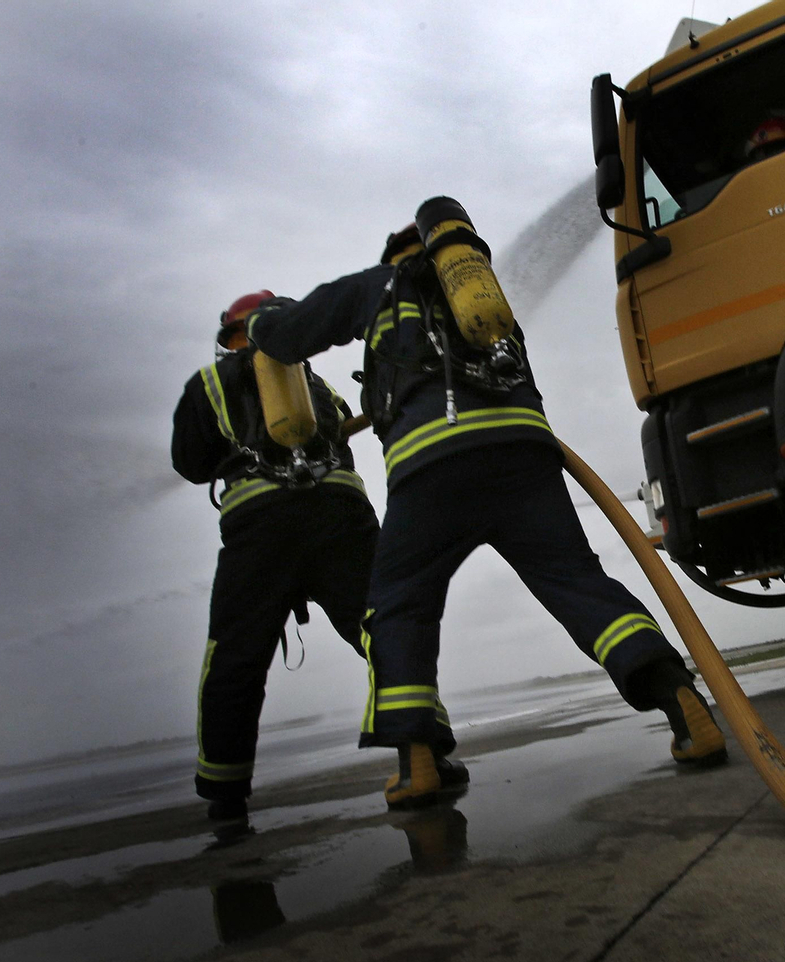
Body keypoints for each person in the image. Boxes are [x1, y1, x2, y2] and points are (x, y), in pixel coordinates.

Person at [246, 198, 728, 810]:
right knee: (577, 583)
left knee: (399, 605)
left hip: (430, 470)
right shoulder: (480, 300)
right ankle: (682, 702)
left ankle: (417, 762)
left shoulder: (378, 288)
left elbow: (289, 336)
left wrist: (262, 325)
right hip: (523, 458)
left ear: (394, 255)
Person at [171, 289, 465, 822]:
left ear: (230, 335)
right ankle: (429, 750)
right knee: (383, 629)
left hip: (259, 524)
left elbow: (191, 462)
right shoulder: (317, 387)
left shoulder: (209, 383)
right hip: (339, 514)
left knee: (235, 654)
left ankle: (225, 789)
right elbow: (340, 440)